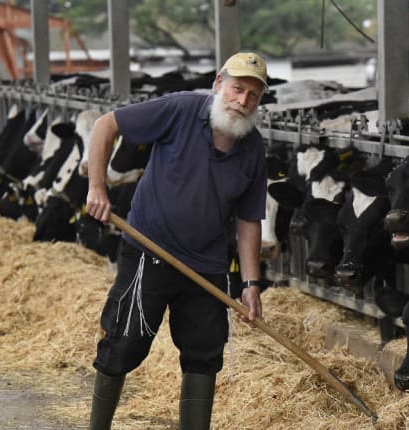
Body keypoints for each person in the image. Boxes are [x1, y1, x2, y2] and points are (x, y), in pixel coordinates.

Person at [85, 52, 269, 430]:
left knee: (205, 354)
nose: (242, 101)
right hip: (148, 251)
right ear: (219, 84)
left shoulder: (253, 148)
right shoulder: (181, 110)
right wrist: (97, 187)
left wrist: (251, 284)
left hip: (206, 266)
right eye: (237, 89)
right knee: (124, 343)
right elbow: (106, 125)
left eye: (253, 95)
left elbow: (249, 219)